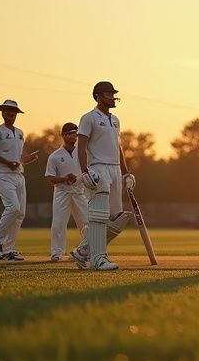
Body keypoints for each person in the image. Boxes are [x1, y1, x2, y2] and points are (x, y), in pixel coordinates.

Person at [69, 81, 136, 271]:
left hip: (115, 169)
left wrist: (126, 172)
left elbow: (118, 147)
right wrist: (84, 171)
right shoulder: (88, 118)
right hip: (98, 168)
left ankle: (83, 251)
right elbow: (81, 145)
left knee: (117, 218)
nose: (113, 97)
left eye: (114, 94)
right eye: (109, 94)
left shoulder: (115, 120)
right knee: (99, 216)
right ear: (98, 96)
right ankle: (98, 259)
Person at [0, 99, 38, 261]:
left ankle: (8, 249)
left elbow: (19, 157)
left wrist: (27, 159)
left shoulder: (20, 132)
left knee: (20, 213)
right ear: (2, 112)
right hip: (2, 175)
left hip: (18, 176)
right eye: (7, 110)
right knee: (13, 207)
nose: (10, 113)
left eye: (13, 111)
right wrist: (8, 163)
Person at [45, 122, 88, 262]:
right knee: (58, 223)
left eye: (75, 134)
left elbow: (88, 171)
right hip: (62, 192)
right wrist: (64, 178)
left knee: (86, 223)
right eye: (69, 134)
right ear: (63, 135)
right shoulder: (55, 156)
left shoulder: (82, 152)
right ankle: (57, 253)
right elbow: (50, 179)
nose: (73, 136)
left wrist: (77, 179)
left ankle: (88, 250)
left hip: (79, 192)